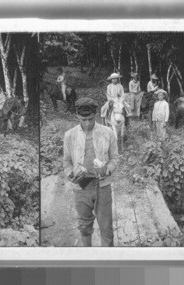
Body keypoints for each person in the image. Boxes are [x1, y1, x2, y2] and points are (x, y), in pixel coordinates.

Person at [63, 97, 119, 247]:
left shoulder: (107, 132)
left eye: (90, 119)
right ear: (77, 116)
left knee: (106, 227)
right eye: (83, 119)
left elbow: (114, 158)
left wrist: (107, 169)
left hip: (102, 185)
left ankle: (107, 261)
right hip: (81, 186)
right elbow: (66, 161)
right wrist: (71, 174)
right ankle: (87, 254)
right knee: (84, 226)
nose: (87, 123)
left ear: (95, 115)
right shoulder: (70, 135)